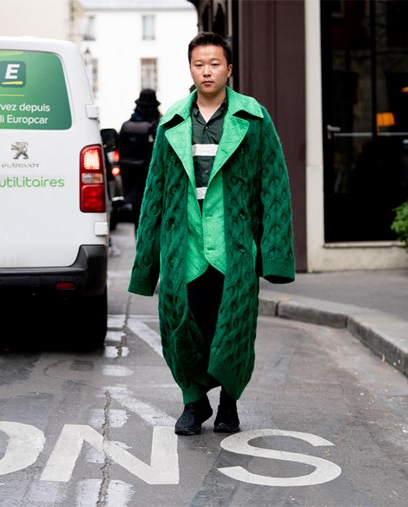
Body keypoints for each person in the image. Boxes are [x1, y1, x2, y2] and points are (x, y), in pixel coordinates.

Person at [128, 32, 296, 436]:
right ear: (190, 68)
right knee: (180, 326)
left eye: (215, 64)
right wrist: (145, 266)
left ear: (229, 69)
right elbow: (154, 196)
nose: (207, 71)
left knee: (232, 326)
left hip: (233, 247)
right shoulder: (172, 121)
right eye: (199, 64)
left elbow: (275, 187)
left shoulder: (253, 118)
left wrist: (273, 255)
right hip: (182, 246)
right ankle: (194, 401)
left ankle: (229, 404)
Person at [117, 89, 161, 232]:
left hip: (133, 183)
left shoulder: (128, 126)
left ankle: (140, 247)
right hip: (154, 179)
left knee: (139, 218)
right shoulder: (157, 126)